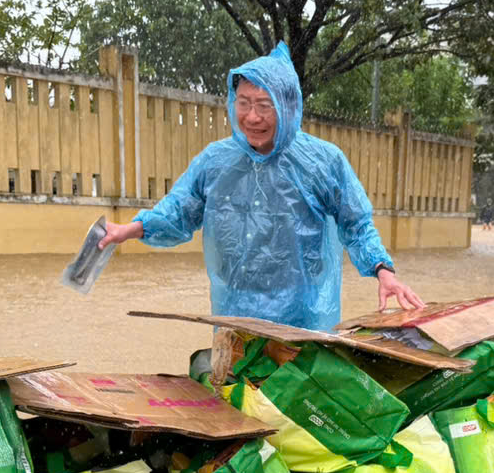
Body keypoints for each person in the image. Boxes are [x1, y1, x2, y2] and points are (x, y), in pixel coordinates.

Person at [99, 42, 424, 330]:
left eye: (264, 105)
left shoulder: (322, 162)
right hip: (234, 320)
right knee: (235, 395)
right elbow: (179, 212)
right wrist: (131, 229)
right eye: (243, 103)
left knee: (291, 398)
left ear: (288, 106)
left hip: (301, 326)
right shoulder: (215, 162)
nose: (252, 117)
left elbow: (356, 224)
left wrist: (383, 271)